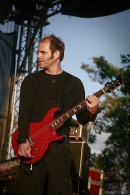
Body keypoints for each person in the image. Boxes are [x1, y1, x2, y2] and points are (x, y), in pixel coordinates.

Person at [17, 34, 99, 195]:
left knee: (58, 188)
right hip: (31, 144)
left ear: (56, 55)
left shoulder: (74, 83)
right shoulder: (31, 80)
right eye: (38, 52)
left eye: (43, 52)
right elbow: (24, 113)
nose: (38, 56)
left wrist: (93, 110)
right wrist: (22, 140)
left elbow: (82, 119)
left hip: (59, 144)